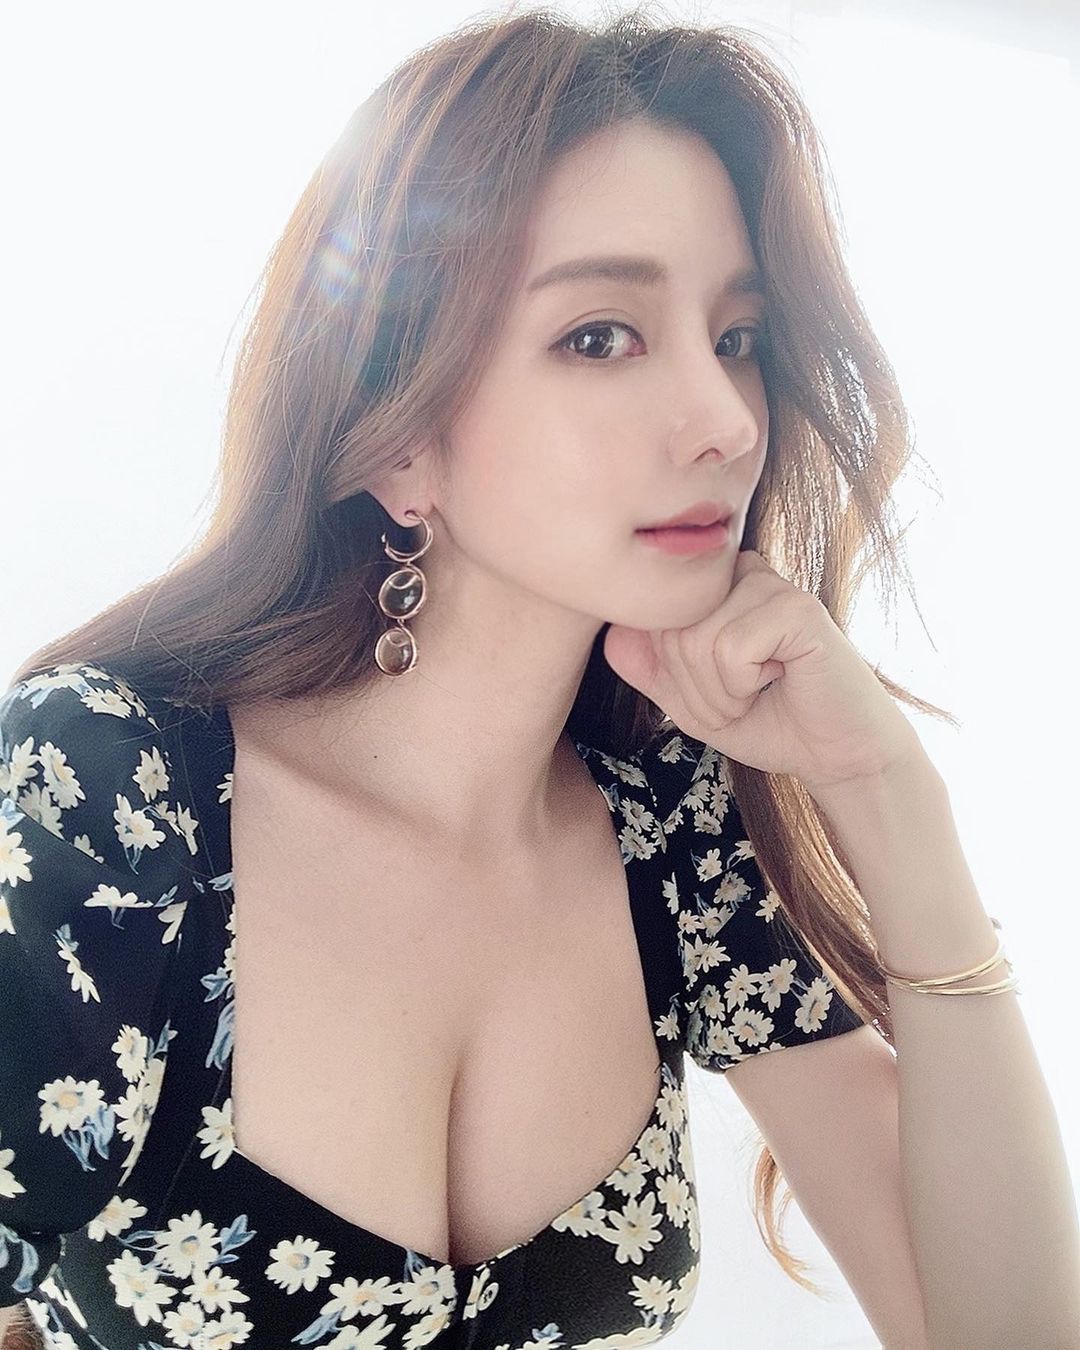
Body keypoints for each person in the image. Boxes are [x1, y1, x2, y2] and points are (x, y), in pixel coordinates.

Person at [0, 7, 1002, 1347]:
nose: (725, 421)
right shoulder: (110, 790)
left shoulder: (670, 827)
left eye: (737, 336)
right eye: (601, 335)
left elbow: (993, 1326)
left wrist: (892, 794)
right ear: (397, 436)